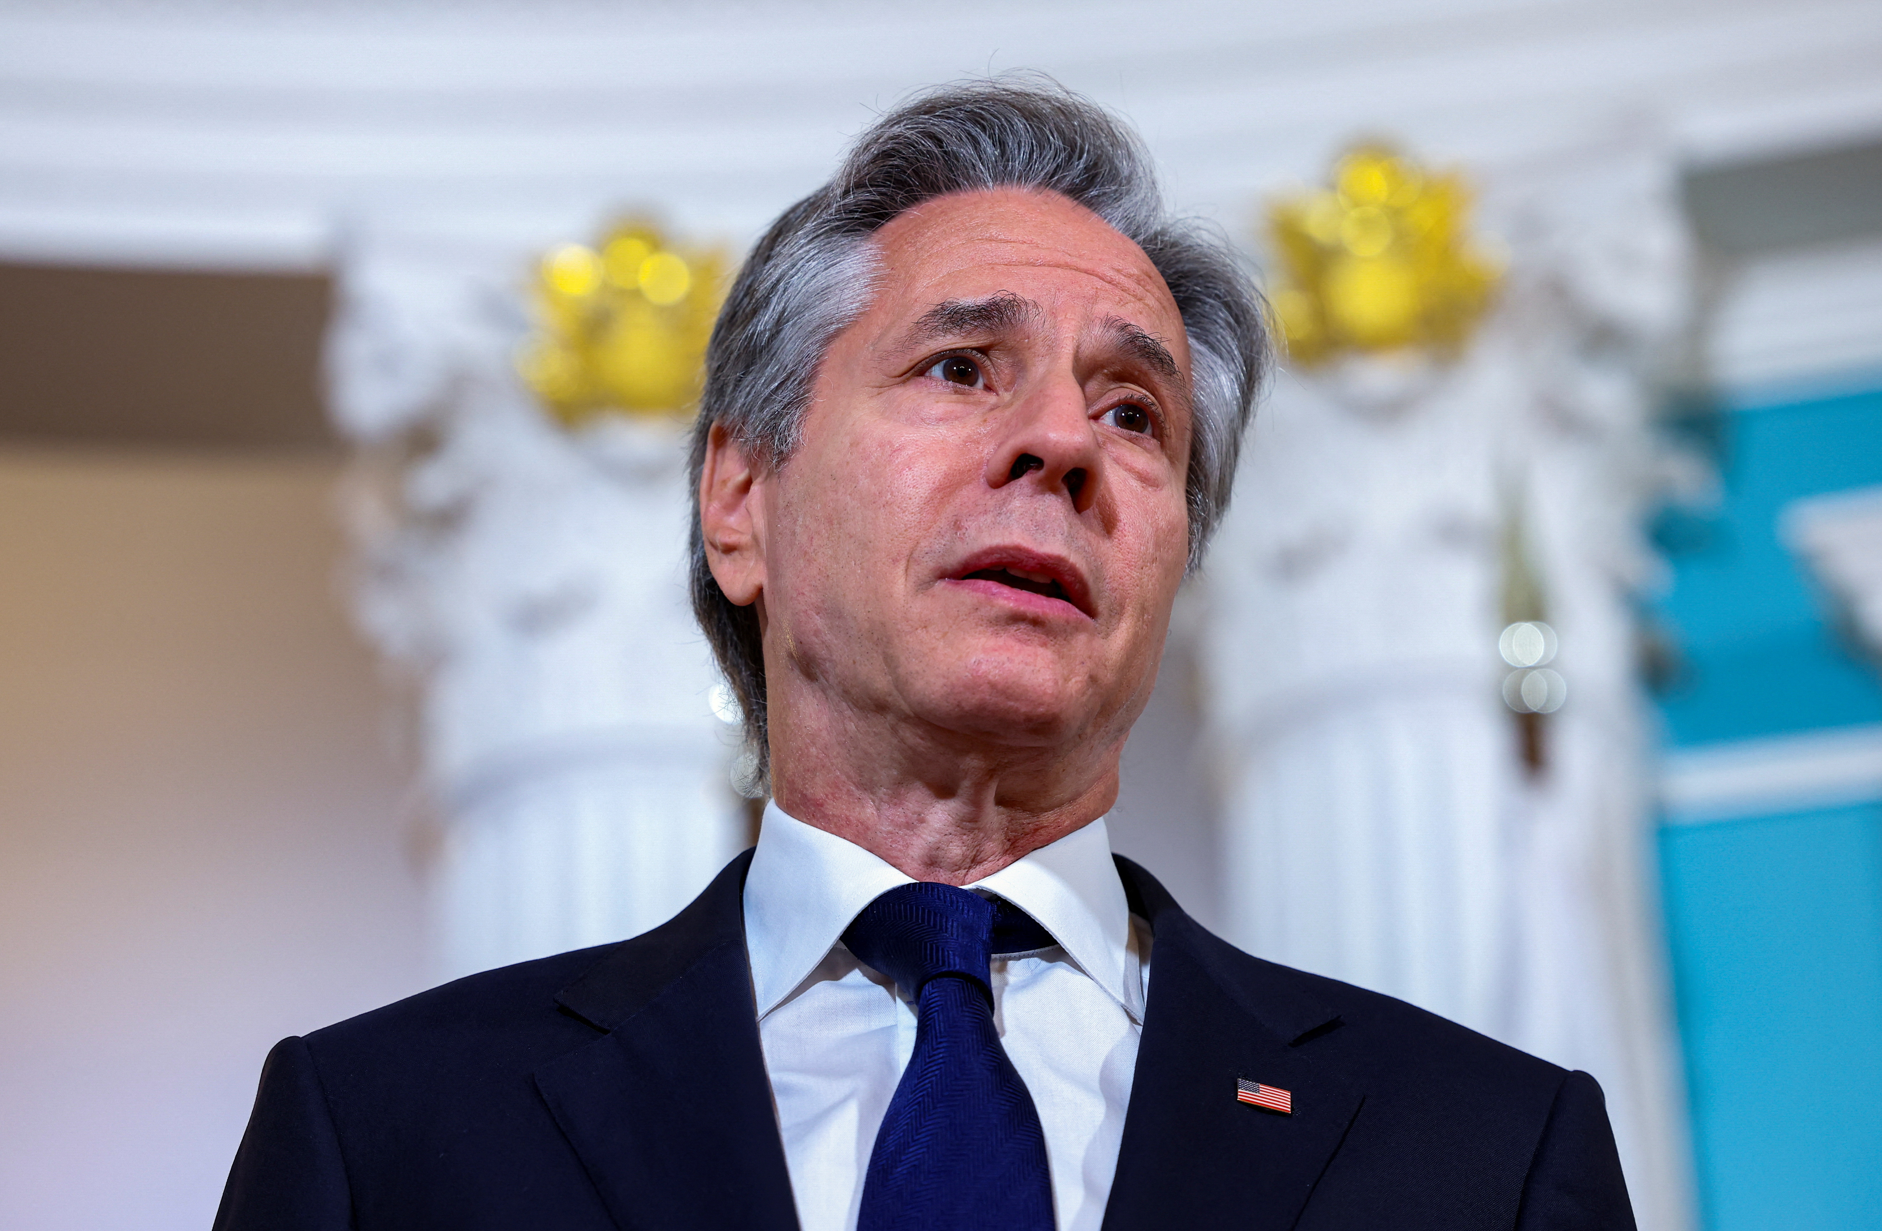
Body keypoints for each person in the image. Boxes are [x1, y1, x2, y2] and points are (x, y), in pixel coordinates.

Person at [215, 79, 1635, 1231]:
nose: (1063, 441)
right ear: (739, 498)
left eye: (1133, 413)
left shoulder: (1481, 1153)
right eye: (960, 367)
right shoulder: (390, 1135)